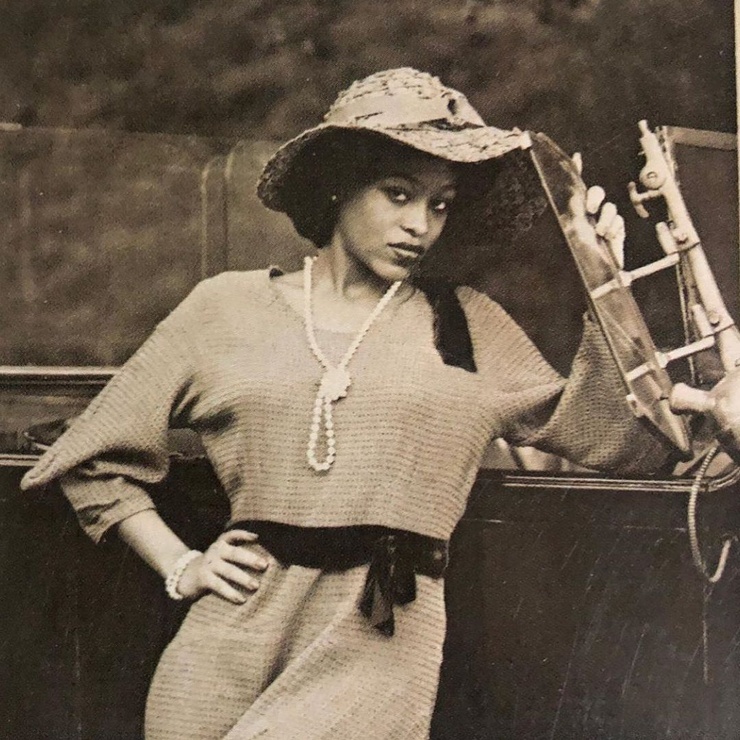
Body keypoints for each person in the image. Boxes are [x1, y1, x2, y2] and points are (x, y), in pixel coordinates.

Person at [21, 67, 674, 740]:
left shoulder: (467, 325)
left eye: (441, 204)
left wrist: (609, 286)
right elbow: (94, 454)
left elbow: (626, 441)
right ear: (338, 182)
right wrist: (181, 564)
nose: (421, 224)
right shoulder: (225, 308)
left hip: (381, 640)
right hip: (224, 649)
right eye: (399, 193)